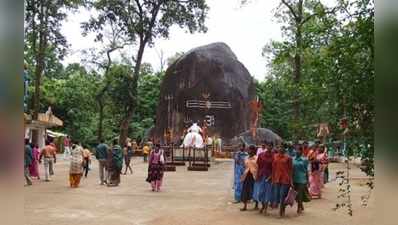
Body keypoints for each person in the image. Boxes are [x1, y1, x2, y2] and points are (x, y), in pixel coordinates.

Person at [272, 145, 293, 217]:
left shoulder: (288, 158)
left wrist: (291, 181)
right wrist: (273, 178)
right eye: (279, 147)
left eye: (282, 147)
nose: (280, 148)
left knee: (282, 195)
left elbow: (290, 170)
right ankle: (282, 210)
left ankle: (280, 212)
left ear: (285, 148)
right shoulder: (275, 156)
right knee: (277, 195)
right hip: (277, 178)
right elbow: (273, 168)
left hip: (285, 179)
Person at [255, 142, 274, 214]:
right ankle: (263, 206)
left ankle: (265, 208)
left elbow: (274, 168)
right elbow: (258, 166)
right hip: (261, 175)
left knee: (268, 193)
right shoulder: (261, 155)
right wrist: (257, 175)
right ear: (266, 146)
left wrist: (271, 176)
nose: (269, 147)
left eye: (270, 146)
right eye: (268, 145)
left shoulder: (274, 156)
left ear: (272, 147)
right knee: (260, 193)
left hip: (269, 177)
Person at [293, 145, 310, 214]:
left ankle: (299, 207)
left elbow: (307, 170)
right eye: (296, 150)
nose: (297, 151)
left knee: (299, 193)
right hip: (294, 179)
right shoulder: (292, 159)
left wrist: (308, 180)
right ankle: (301, 204)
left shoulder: (305, 160)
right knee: (296, 194)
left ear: (301, 151)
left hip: (302, 179)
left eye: (299, 150)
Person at [240, 145, 257, 211]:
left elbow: (258, 167)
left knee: (254, 190)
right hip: (247, 175)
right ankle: (245, 206)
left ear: (254, 151)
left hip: (254, 175)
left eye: (251, 150)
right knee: (245, 190)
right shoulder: (246, 158)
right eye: (249, 150)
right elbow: (244, 166)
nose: (250, 151)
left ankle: (256, 205)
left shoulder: (257, 158)